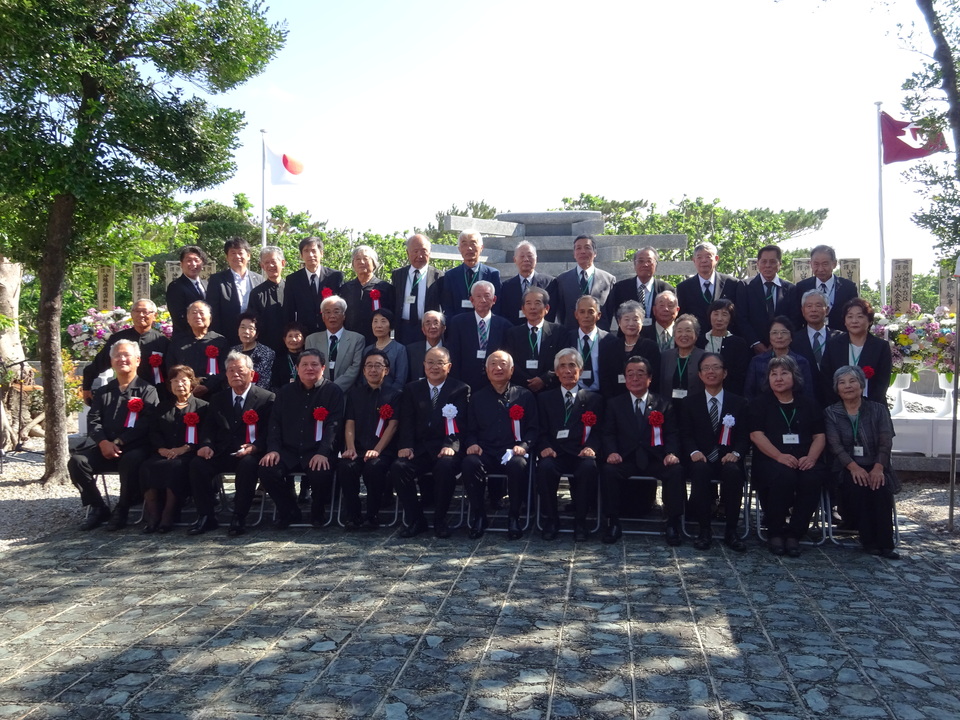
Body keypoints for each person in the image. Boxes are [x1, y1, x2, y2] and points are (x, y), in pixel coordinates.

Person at [68, 339, 159, 530]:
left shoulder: (148, 390)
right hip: (104, 447)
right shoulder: (103, 392)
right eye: (117, 355)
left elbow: (147, 423)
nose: (122, 359)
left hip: (134, 447)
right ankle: (98, 507)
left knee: (132, 460)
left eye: (127, 355)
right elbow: (93, 420)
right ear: (111, 361)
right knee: (77, 461)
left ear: (138, 360)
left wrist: (119, 441)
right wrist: (103, 443)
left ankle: (123, 508)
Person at [747, 355, 828, 557]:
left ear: (795, 377)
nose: (779, 378)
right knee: (783, 476)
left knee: (812, 477)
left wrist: (810, 458)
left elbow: (820, 436)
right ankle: (775, 531)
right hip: (771, 459)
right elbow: (756, 435)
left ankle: (794, 533)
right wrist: (779, 456)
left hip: (804, 458)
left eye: (784, 373)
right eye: (773, 374)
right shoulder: (760, 403)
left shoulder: (808, 404)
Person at [600, 355, 684, 545]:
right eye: (630, 374)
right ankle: (612, 521)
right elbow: (608, 433)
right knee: (608, 470)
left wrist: (671, 453)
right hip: (626, 458)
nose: (635, 378)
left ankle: (672, 523)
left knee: (676, 470)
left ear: (650, 378)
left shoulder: (663, 403)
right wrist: (612, 452)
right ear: (625, 378)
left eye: (640, 374)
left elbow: (672, 433)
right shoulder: (614, 404)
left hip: (655, 458)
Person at [189, 351, 274, 536]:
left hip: (251, 452)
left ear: (251, 373)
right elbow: (209, 428)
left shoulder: (267, 398)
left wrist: (255, 447)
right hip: (222, 451)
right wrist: (206, 445)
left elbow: (270, 432)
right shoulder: (218, 399)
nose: (235, 374)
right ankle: (206, 516)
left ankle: (239, 516)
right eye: (230, 370)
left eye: (240, 370)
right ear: (226, 374)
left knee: (248, 465)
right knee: (198, 464)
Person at [390, 346, 470, 539]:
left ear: (449, 366)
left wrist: (450, 446)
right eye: (430, 362)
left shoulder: (460, 389)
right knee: (399, 468)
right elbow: (406, 420)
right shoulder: (412, 388)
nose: (434, 367)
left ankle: (440, 519)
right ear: (424, 365)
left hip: (445, 447)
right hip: (418, 448)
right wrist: (406, 446)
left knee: (445, 467)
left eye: (440, 363)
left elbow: (460, 423)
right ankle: (416, 519)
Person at [259, 349, 343, 528]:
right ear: (297, 368)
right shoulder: (285, 392)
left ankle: (318, 510)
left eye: (314, 364)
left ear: (323, 368)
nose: (309, 368)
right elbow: (274, 423)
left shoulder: (333, 391)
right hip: (288, 450)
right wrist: (273, 450)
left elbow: (333, 426)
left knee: (321, 471)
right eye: (304, 364)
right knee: (267, 469)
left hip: (317, 450)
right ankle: (288, 510)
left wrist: (323, 453)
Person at [824, 365, 900, 559]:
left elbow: (886, 442)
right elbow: (835, 446)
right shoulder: (831, 413)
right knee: (857, 487)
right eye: (842, 383)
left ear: (861, 384)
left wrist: (878, 467)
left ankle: (886, 542)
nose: (848, 386)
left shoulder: (878, 410)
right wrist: (854, 468)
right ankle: (869, 540)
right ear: (836, 388)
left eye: (852, 381)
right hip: (847, 467)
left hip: (876, 464)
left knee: (880, 488)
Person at [462, 351, 539, 539]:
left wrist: (524, 446)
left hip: (513, 451)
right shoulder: (477, 398)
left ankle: (514, 517)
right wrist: (472, 444)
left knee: (518, 464)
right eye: (493, 364)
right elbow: (469, 430)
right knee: (469, 463)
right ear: (487, 370)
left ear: (511, 370)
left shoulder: (525, 395)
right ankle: (479, 515)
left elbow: (533, 429)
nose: (498, 368)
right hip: (486, 451)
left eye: (503, 364)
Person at [680, 353, 749, 552]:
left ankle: (731, 531)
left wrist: (736, 453)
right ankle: (704, 530)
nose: (711, 372)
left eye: (716, 367)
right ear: (700, 375)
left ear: (725, 373)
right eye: (707, 368)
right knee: (699, 471)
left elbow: (744, 436)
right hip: (700, 458)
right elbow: (685, 434)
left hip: (728, 457)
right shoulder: (689, 403)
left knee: (733, 472)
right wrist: (693, 451)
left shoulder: (739, 403)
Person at [536, 348, 604, 541]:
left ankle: (580, 521)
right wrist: (544, 447)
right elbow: (540, 429)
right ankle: (551, 519)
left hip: (580, 453)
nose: (567, 371)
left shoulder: (594, 399)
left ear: (580, 371)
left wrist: (591, 447)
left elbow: (599, 431)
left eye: (572, 366)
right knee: (545, 468)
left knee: (589, 467)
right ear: (556, 372)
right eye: (562, 366)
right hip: (555, 453)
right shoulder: (544, 398)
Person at [139, 365, 209, 534]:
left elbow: (207, 434)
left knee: (175, 467)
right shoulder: (162, 407)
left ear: (191, 383)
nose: (179, 384)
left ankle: (168, 514)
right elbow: (154, 432)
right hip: (163, 452)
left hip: (188, 454)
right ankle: (153, 514)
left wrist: (184, 449)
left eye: (184, 380)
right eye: (175, 381)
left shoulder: (203, 407)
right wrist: (161, 449)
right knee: (146, 467)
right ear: (169, 385)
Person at [340, 349, 401, 530]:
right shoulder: (354, 394)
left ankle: (372, 514)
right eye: (369, 366)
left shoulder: (395, 394)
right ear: (364, 370)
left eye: (378, 365)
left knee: (374, 468)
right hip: (358, 448)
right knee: (345, 467)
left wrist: (377, 450)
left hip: (383, 450)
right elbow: (349, 423)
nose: (373, 370)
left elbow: (393, 425)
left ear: (386, 370)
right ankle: (353, 514)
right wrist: (350, 448)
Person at [81, 298, 170, 403]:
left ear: (154, 316)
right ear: (132, 314)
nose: (141, 315)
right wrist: (86, 387)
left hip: (155, 395)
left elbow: (170, 371)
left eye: (145, 312)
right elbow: (100, 363)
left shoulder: (162, 341)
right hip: (123, 394)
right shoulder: (118, 339)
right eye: (137, 311)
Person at [822, 298, 893, 406]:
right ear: (845, 321)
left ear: (869, 321)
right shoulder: (833, 345)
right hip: (838, 407)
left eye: (860, 316)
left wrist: (867, 406)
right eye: (850, 316)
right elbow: (826, 378)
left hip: (872, 407)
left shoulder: (880, 346)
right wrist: (839, 406)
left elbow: (882, 382)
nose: (854, 321)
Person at [446, 280, 511, 391]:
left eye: (487, 296)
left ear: (494, 299)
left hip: (495, 382)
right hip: (465, 381)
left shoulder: (505, 325)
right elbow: (454, 354)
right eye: (478, 296)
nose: (483, 300)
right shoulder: (458, 322)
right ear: (472, 300)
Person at [504, 286, 567, 394]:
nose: (532, 307)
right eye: (528, 303)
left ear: (546, 308)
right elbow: (510, 361)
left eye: (537, 303)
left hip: (551, 389)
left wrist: (544, 379)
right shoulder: (512, 333)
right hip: (520, 390)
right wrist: (527, 382)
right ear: (523, 309)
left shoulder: (559, 332)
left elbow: (563, 360)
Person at [206, 237, 264, 345]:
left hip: (254, 336)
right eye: (233, 253)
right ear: (227, 257)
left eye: (240, 253)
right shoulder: (217, 280)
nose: (237, 256)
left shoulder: (259, 279)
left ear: (248, 256)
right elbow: (213, 311)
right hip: (227, 336)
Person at [166, 300, 231, 398]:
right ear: (188, 318)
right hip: (184, 393)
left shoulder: (220, 341)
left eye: (201, 313)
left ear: (210, 318)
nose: (198, 316)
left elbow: (225, 368)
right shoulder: (178, 341)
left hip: (214, 393)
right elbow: (170, 367)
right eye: (194, 313)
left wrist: (207, 386)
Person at [738, 245, 796, 353]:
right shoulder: (745, 286)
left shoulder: (790, 289)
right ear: (758, 264)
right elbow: (741, 318)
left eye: (773, 262)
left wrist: (778, 342)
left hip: (783, 348)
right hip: (752, 349)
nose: (768, 266)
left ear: (780, 265)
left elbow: (794, 319)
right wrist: (755, 343)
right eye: (764, 262)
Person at [675, 241, 741, 335]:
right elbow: (682, 316)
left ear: (716, 259)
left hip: (727, 339)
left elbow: (739, 315)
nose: (704, 260)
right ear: (694, 260)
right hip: (697, 341)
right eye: (699, 257)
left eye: (708, 256)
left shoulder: (732, 284)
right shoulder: (683, 288)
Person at [599, 300, 661, 399]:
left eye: (636, 319)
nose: (631, 324)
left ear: (642, 321)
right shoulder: (610, 347)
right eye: (626, 319)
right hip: (614, 400)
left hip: (643, 399)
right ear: (619, 322)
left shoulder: (651, 347)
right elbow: (604, 377)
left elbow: (654, 377)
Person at [552, 234, 616, 330]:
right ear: (574, 254)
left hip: (600, 338)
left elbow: (609, 311)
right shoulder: (562, 280)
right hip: (571, 336)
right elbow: (561, 313)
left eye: (587, 247)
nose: (583, 251)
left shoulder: (608, 280)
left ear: (595, 253)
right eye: (578, 248)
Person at [744, 317, 816, 401]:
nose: (779, 336)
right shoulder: (757, 361)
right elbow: (749, 393)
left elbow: (807, 394)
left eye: (784, 332)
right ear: (769, 337)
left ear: (791, 337)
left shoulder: (801, 362)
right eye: (774, 333)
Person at [790, 290, 842, 408]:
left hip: (836, 400)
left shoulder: (840, 338)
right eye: (809, 306)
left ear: (827, 310)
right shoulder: (794, 340)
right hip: (804, 401)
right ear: (803, 311)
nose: (813, 309)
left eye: (818, 305)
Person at [283, 236, 343, 336]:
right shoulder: (292, 280)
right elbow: (289, 311)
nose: (310, 255)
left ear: (321, 253)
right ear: (301, 255)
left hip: (331, 331)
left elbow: (341, 307)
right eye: (306, 251)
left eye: (314, 251)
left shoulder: (335, 276)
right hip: (304, 333)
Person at [304, 295, 365, 392]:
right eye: (328, 312)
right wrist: (322, 387)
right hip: (318, 392)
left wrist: (334, 388)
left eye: (336, 311)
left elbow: (355, 368)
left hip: (346, 393)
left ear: (344, 316)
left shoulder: (357, 339)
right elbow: (309, 366)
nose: (332, 316)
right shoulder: (311, 339)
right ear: (323, 317)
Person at [391, 233, 443, 345]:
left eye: (423, 251)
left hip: (428, 330)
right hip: (403, 328)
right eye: (415, 251)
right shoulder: (398, 275)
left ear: (429, 253)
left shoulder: (439, 276)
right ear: (407, 253)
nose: (419, 255)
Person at [792, 244, 859, 330]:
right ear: (810, 264)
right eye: (816, 264)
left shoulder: (848, 287)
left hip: (841, 338)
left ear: (834, 264)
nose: (820, 269)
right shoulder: (802, 287)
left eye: (825, 264)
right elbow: (797, 317)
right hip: (812, 339)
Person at [439, 230, 501, 320]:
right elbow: (448, 306)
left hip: (485, 325)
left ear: (481, 248)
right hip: (459, 327)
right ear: (459, 249)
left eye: (473, 243)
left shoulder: (493, 274)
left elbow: (497, 305)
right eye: (464, 244)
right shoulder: (450, 275)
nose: (469, 248)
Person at [341, 245, 394, 346]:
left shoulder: (385, 288)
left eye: (365, 259)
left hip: (376, 340)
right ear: (353, 264)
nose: (361, 262)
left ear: (374, 263)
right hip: (350, 340)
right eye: (357, 259)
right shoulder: (346, 288)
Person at [610, 247, 675, 327]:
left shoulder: (666, 289)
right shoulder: (620, 288)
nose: (645, 265)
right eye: (640, 261)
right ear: (634, 264)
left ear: (656, 265)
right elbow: (617, 314)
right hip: (627, 336)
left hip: (656, 337)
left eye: (649, 261)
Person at [697, 299, 750, 396]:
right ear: (709, 315)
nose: (719, 319)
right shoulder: (699, 341)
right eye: (716, 314)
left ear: (730, 318)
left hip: (730, 393)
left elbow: (741, 374)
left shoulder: (739, 343)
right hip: (700, 393)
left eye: (724, 314)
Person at [497, 240, 556, 325]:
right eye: (522, 256)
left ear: (536, 258)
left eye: (530, 256)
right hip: (515, 333)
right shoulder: (506, 286)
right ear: (514, 259)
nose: (526, 259)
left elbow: (551, 313)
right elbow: (505, 313)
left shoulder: (549, 283)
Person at [659, 314, 704, 406]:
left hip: (695, 408)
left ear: (696, 334)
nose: (684, 335)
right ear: (674, 335)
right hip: (669, 408)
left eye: (688, 331)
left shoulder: (704, 357)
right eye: (679, 331)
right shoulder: (665, 356)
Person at [249, 245, 287, 354]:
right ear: (262, 266)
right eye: (266, 263)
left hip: (291, 346)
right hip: (265, 348)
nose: (270, 265)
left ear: (283, 263)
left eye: (274, 261)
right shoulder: (256, 293)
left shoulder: (292, 289)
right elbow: (253, 322)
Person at [166, 245, 209, 336]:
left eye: (196, 260)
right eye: (189, 260)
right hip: (185, 337)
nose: (193, 264)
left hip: (206, 336)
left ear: (202, 263)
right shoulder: (175, 286)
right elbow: (178, 317)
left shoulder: (207, 284)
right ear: (181, 264)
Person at [365, 308, 408, 393]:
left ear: (391, 326)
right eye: (375, 321)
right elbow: (363, 378)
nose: (379, 325)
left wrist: (389, 396)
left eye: (383, 321)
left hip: (392, 396)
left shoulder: (400, 349)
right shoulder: (367, 350)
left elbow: (400, 379)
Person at [571, 295, 607, 392]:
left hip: (602, 394)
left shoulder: (608, 340)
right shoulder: (567, 339)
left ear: (598, 315)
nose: (586, 316)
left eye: (591, 312)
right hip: (575, 394)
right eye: (582, 312)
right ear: (576, 315)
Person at [231, 311, 275, 390]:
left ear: (257, 334)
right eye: (243, 327)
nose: (246, 331)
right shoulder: (232, 351)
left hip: (257, 396)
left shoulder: (267, 352)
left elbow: (265, 382)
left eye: (251, 328)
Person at [406, 311, 446, 381]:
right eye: (428, 323)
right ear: (423, 330)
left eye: (436, 323)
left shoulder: (452, 350)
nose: (432, 327)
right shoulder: (411, 350)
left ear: (443, 328)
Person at [270, 322, 306, 391]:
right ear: (284, 340)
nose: (293, 339)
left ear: (304, 340)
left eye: (297, 336)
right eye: (290, 336)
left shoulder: (308, 360)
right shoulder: (279, 361)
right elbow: (275, 384)